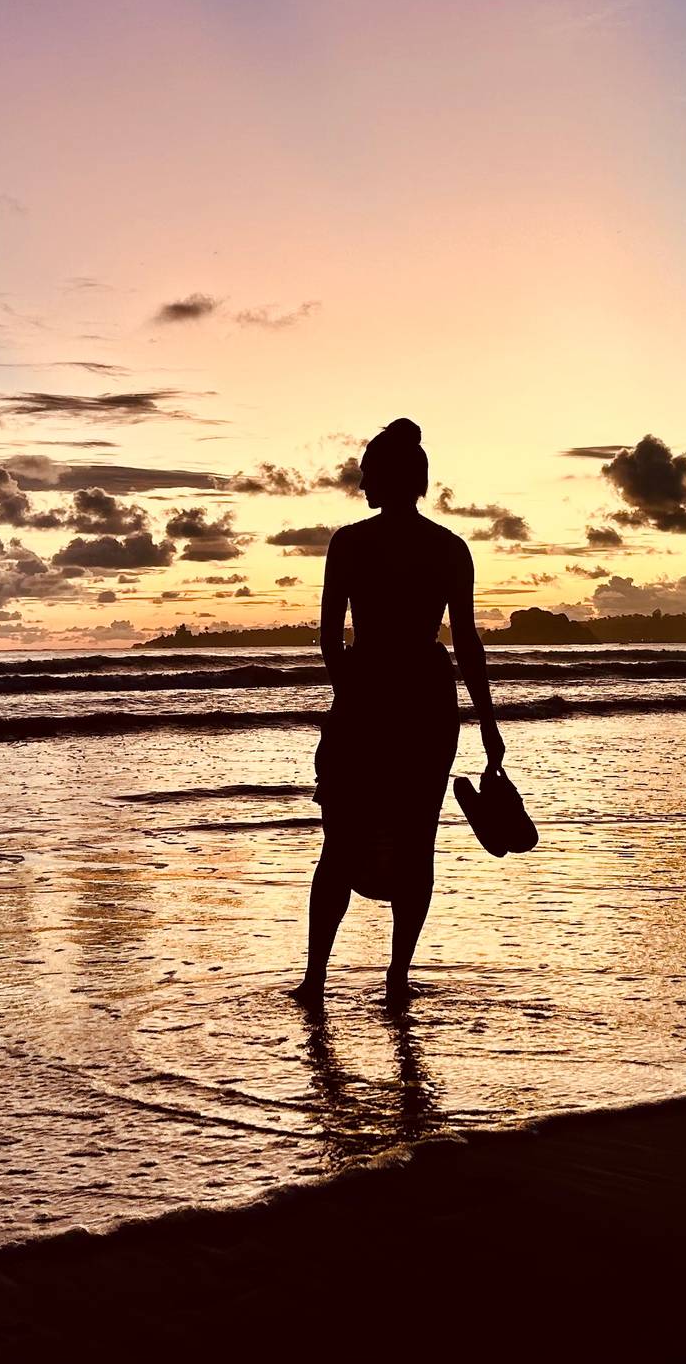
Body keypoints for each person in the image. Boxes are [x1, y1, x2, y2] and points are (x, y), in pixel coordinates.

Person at [289, 418, 506, 1008]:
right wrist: (488, 727)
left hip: (368, 700)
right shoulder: (449, 548)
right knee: (416, 842)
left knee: (340, 845)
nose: (360, 485)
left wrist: (352, 698)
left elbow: (332, 639)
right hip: (425, 704)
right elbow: (466, 645)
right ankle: (396, 977)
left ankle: (315, 980)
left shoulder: (351, 544)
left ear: (390, 479)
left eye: (366, 474)